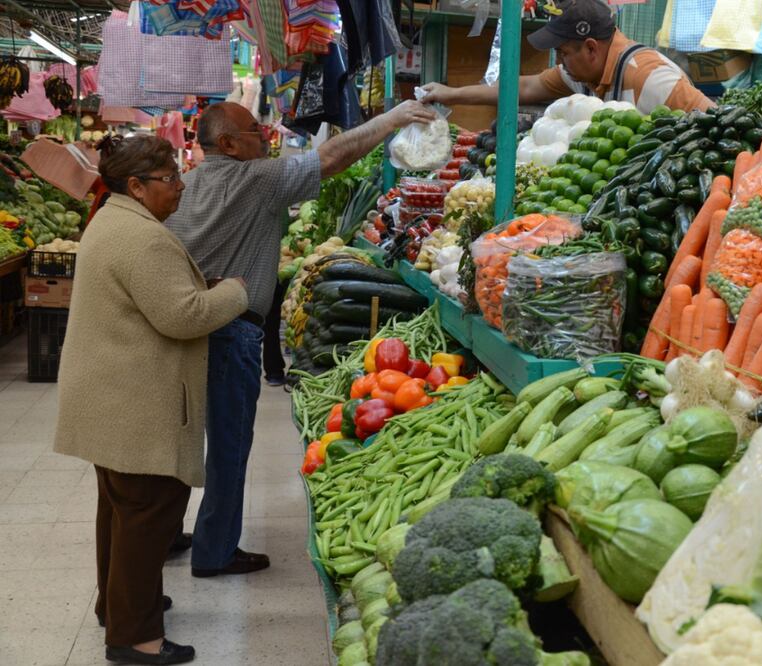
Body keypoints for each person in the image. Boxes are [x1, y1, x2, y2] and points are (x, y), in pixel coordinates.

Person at [165, 99, 437, 579]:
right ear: (227, 143)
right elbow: (331, 157)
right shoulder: (257, 179)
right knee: (228, 443)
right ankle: (214, 551)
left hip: (184, 325)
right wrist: (391, 120)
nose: (266, 135)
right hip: (232, 330)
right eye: (254, 129)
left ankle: (163, 534)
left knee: (177, 436)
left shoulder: (184, 187)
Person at [54, 135, 249, 665]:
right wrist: (234, 290)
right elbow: (182, 316)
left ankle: (118, 606)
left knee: (119, 511)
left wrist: (194, 287)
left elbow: (153, 298)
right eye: (169, 179)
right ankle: (135, 637)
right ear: (136, 186)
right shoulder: (144, 239)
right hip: (133, 403)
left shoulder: (111, 221)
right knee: (149, 513)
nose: (180, 187)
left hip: (107, 396)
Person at [419, 0, 713, 115]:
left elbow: (719, 122)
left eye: (563, 53)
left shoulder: (652, 77)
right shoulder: (583, 73)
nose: (559, 63)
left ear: (591, 48)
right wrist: (452, 94)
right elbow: (521, 88)